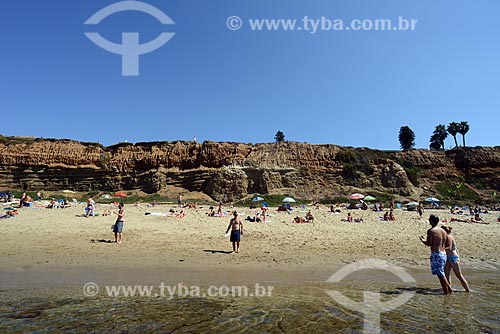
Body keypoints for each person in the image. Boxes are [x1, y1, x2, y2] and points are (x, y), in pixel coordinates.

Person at [419, 214, 452, 294]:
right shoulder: (443, 231)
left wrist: (422, 240)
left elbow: (429, 243)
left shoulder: (431, 231)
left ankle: (447, 292)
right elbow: (447, 244)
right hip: (443, 254)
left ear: (431, 221)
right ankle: (448, 291)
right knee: (441, 273)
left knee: (440, 275)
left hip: (436, 254)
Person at [441, 225, 470, 292]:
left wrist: (440, 248)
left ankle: (467, 290)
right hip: (448, 258)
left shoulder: (449, 237)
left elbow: (450, 247)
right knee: (446, 275)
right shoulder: (445, 237)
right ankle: (449, 289)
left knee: (459, 275)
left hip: (453, 257)